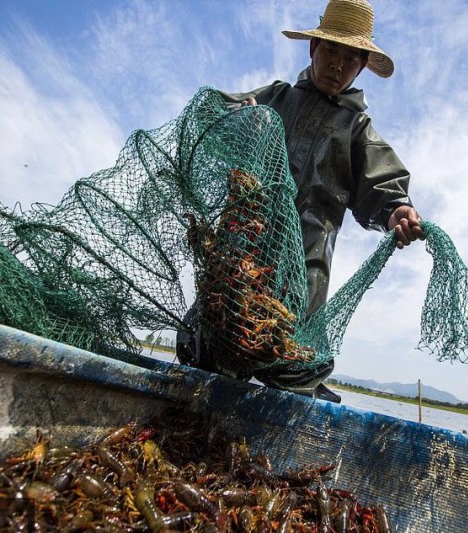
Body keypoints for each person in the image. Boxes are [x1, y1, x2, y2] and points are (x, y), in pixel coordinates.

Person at [178, 0, 424, 403]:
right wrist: (239, 117)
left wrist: (397, 210)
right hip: (242, 251)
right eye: (330, 51)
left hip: (305, 273)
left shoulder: (356, 129)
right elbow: (214, 111)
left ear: (362, 66)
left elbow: (385, 188)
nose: (337, 66)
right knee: (211, 341)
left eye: (350, 58)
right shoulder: (277, 96)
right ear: (313, 49)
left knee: (288, 361)